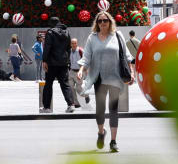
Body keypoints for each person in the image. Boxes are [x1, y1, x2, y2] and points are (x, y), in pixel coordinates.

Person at [78, 11, 133, 152]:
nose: (103, 23)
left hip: (115, 77)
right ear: (97, 23)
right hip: (99, 78)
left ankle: (113, 141)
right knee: (100, 109)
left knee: (113, 109)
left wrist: (131, 72)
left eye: (105, 20)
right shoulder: (92, 38)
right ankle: (101, 132)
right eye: (100, 21)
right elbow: (87, 57)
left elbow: (127, 56)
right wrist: (81, 70)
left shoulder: (117, 36)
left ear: (110, 22)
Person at [42, 17, 79, 113]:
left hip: (52, 63)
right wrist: (67, 60)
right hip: (63, 63)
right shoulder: (66, 32)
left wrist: (44, 60)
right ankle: (71, 104)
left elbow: (47, 47)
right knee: (65, 84)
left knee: (48, 84)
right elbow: (68, 48)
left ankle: (47, 107)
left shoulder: (50, 32)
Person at [69, 37, 88, 103]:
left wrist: (85, 71)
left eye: (75, 43)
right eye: (72, 43)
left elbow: (85, 61)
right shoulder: (69, 51)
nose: (73, 45)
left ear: (77, 44)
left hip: (79, 72)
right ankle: (76, 102)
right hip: (71, 71)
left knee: (78, 89)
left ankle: (86, 95)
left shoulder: (80, 51)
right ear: (70, 44)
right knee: (70, 87)